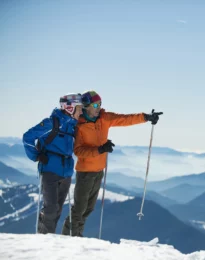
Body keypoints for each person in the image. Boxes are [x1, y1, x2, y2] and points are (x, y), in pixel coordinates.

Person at [62, 90, 163, 236]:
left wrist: (146, 117)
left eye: (100, 104)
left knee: (89, 208)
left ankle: (76, 237)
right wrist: (100, 149)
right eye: (95, 104)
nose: (98, 107)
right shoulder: (80, 125)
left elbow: (126, 119)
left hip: (99, 171)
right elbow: (78, 151)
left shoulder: (105, 118)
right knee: (79, 209)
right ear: (86, 106)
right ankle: (66, 239)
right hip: (85, 172)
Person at [23, 93, 83, 234]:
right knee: (50, 209)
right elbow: (27, 138)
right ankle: (43, 241)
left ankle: (48, 240)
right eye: (79, 108)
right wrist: (36, 156)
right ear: (69, 108)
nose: (81, 111)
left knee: (57, 210)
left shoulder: (73, 126)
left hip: (66, 172)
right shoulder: (52, 123)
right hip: (50, 169)